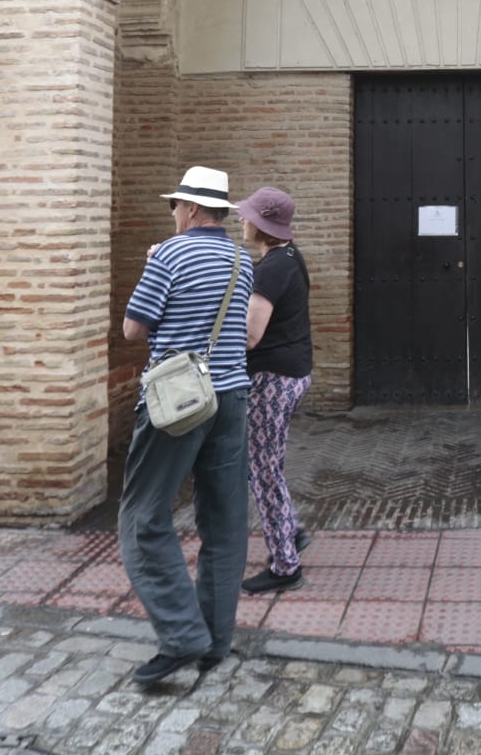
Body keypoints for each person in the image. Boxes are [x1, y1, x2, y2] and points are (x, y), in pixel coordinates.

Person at [119, 165, 254, 687]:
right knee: (223, 520)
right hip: (231, 396)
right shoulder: (243, 259)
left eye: (174, 205)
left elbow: (134, 328)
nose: (172, 213)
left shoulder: (170, 254)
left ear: (192, 209)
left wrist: (153, 266)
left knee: (142, 517)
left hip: (176, 403)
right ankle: (216, 642)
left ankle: (180, 637)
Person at [234, 187, 316, 594]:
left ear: (261, 225)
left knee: (262, 469)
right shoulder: (289, 256)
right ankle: (293, 530)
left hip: (272, 378)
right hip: (294, 371)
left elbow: (250, 335)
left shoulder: (270, 269)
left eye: (247, 216)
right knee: (269, 463)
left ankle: (286, 565)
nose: (241, 221)